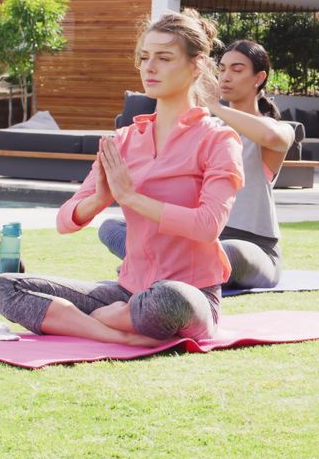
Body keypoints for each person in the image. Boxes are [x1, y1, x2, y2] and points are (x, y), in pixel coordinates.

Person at [0, 10, 244, 346]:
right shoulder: (124, 140)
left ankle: (109, 321)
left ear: (196, 65)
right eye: (144, 57)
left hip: (189, 295)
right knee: (5, 286)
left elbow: (208, 225)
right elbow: (66, 220)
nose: (149, 68)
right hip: (125, 292)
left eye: (164, 58)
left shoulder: (218, 140)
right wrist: (99, 199)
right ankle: (113, 332)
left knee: (168, 299)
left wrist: (132, 198)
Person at [99, 40, 294, 290]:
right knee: (111, 227)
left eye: (237, 70)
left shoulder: (276, 129)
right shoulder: (204, 131)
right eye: (221, 69)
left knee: (229, 250)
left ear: (259, 77)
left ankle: (161, 269)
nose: (225, 77)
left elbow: (272, 138)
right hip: (193, 241)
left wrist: (214, 106)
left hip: (253, 248)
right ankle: (159, 265)